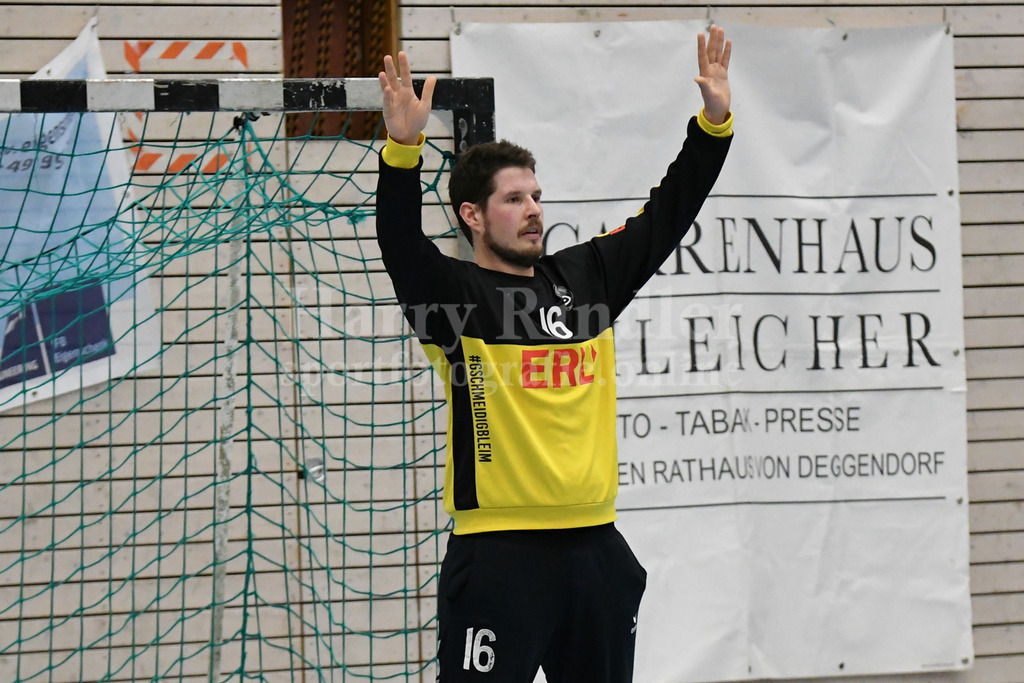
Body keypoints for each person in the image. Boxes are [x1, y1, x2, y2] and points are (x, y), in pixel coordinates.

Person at [375, 26, 732, 682]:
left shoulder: (586, 278)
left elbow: (667, 215)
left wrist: (712, 126)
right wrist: (402, 149)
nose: (535, 209)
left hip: (596, 553)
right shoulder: (455, 298)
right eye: (514, 199)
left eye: (536, 195)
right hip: (498, 558)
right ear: (472, 216)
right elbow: (399, 242)